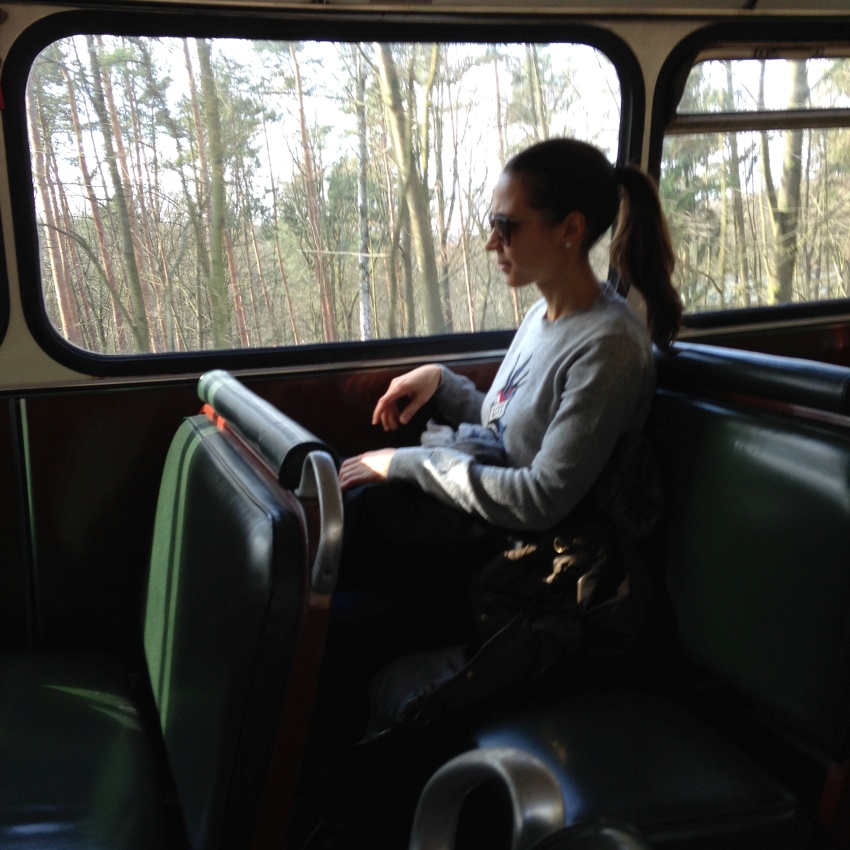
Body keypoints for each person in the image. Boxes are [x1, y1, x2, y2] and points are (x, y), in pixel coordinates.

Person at [297, 137, 682, 849]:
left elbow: (541, 497)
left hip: (537, 578)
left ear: (570, 231)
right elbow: (508, 431)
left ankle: (348, 819)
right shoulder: (543, 318)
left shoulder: (608, 346)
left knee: (340, 629)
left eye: (507, 225)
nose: (490, 243)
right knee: (325, 594)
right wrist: (442, 383)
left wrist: (405, 465)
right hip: (491, 550)